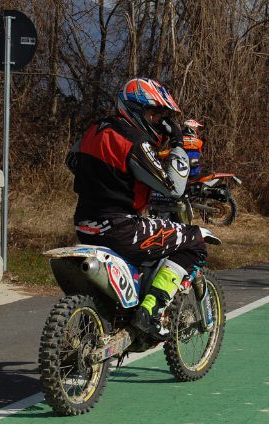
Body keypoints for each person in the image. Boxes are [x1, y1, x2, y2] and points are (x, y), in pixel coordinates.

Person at [66, 78, 207, 340]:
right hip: (122, 229)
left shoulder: (94, 129)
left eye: (159, 115)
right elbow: (173, 187)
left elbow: (72, 161)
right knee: (195, 239)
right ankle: (151, 310)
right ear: (133, 109)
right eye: (152, 113)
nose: (156, 120)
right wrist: (178, 144)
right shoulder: (136, 142)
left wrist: (114, 182)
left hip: (85, 224)